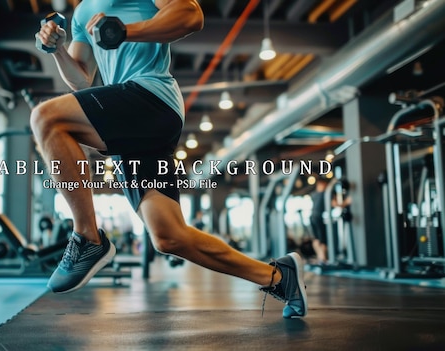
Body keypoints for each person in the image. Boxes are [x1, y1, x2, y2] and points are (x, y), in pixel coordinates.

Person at [32, 0, 307, 318]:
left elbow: (191, 15)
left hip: (150, 97)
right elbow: (81, 80)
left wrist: (126, 31)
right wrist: (58, 51)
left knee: (45, 118)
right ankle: (279, 277)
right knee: (168, 236)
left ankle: (87, 237)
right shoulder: (81, 13)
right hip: (129, 120)